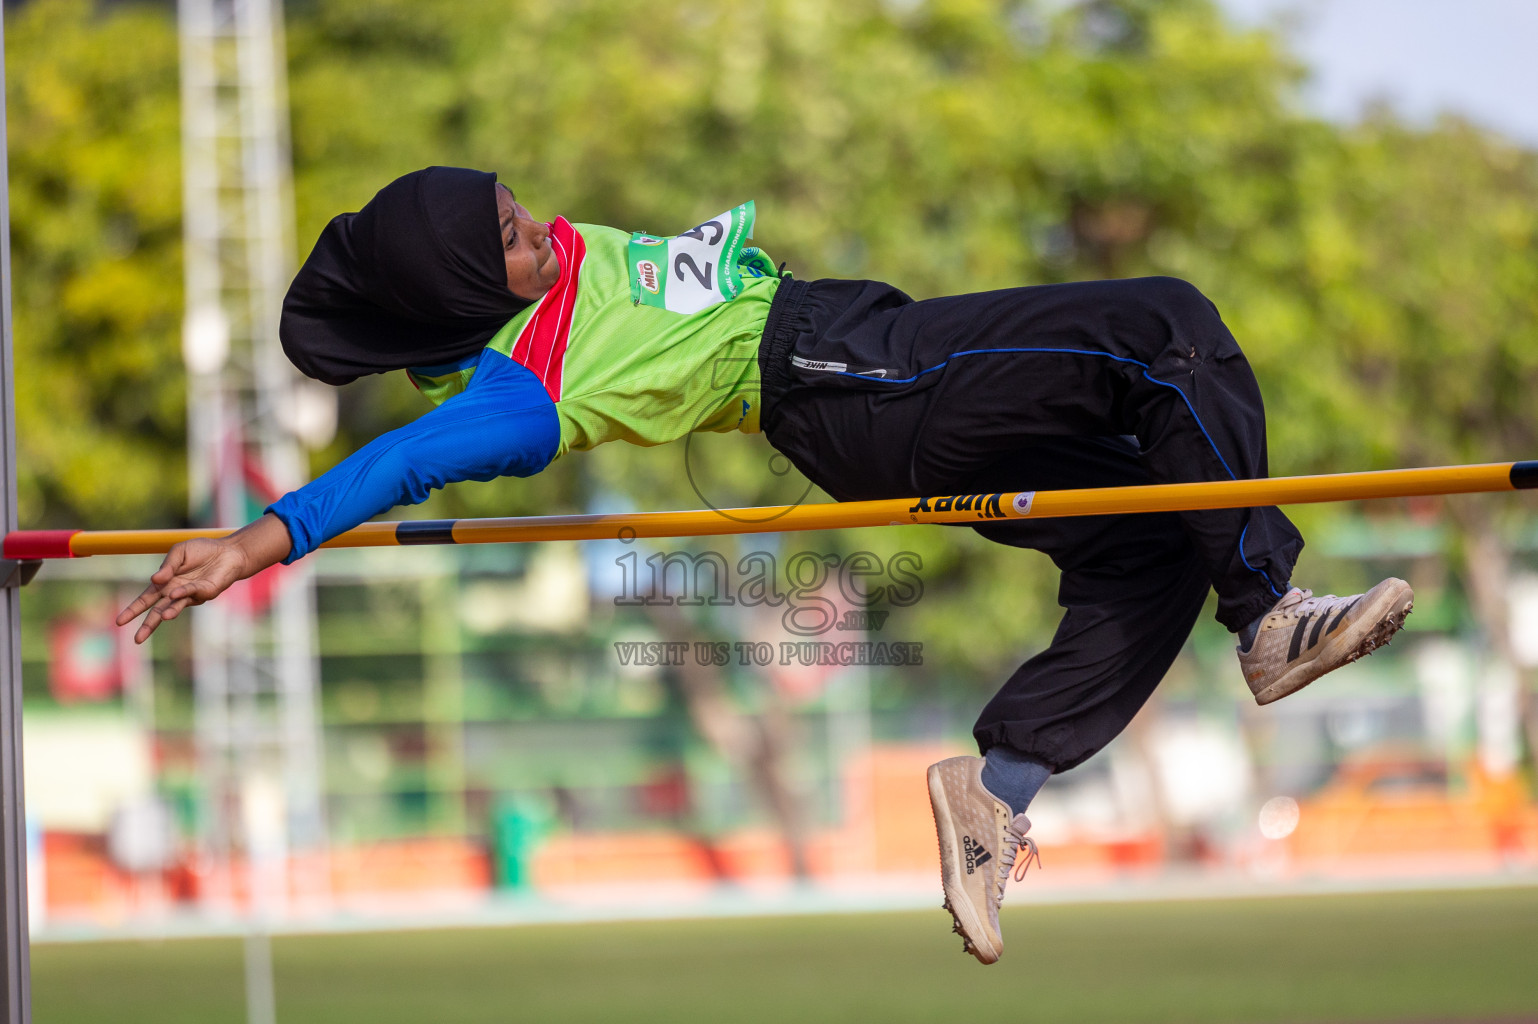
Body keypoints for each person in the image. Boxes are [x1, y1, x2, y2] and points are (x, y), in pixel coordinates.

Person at [117, 166, 1413, 964]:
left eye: (516, 204)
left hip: (856, 354)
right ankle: (1270, 616)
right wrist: (254, 540)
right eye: (511, 238)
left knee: (1149, 537)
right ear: (471, 300)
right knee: (1161, 325)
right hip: (845, 378)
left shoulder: (548, 270)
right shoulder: (514, 392)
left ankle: (997, 786)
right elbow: (392, 470)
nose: (543, 228)